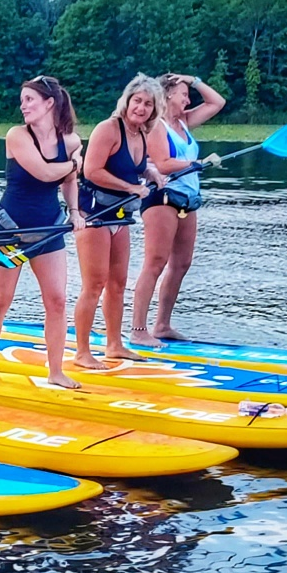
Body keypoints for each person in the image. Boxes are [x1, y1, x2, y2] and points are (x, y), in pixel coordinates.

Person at [0, 76, 82, 389]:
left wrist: (74, 212)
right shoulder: (16, 136)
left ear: (50, 103)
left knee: (57, 301)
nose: (23, 106)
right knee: (0, 300)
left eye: (30, 99)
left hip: (49, 229)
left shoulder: (71, 141)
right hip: (12, 230)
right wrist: (75, 165)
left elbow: (68, 183)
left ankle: (56, 372)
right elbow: (46, 172)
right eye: (22, 100)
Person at [73, 74, 165, 368]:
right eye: (137, 100)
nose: (141, 107)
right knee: (94, 283)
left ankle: (114, 345)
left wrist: (147, 173)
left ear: (154, 110)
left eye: (148, 104)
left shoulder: (140, 134)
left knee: (118, 283)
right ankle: (82, 352)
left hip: (120, 216)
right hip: (93, 214)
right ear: (126, 101)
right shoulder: (108, 129)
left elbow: (130, 167)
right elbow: (91, 170)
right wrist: (132, 187)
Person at [133, 72, 226, 344]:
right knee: (155, 263)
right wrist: (197, 164)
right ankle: (138, 331)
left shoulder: (184, 122)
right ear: (168, 95)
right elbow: (161, 164)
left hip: (188, 199)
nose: (187, 98)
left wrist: (192, 80)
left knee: (182, 263)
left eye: (188, 94)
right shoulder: (156, 125)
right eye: (183, 93)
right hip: (161, 197)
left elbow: (216, 103)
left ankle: (161, 325)